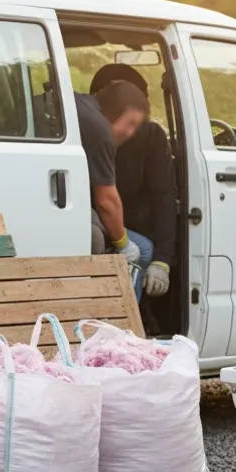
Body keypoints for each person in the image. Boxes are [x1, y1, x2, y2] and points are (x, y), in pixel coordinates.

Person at [90, 63, 177, 302]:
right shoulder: (91, 130)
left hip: (117, 225)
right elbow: (105, 199)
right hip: (92, 220)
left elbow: (164, 198)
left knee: (144, 250)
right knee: (140, 250)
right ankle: (126, 330)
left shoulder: (150, 138)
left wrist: (163, 260)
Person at [77, 81, 148, 273]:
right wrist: (124, 244)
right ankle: (126, 304)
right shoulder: (99, 130)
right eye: (130, 123)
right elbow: (106, 201)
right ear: (116, 111)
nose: (130, 133)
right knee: (144, 249)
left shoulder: (80, 104)